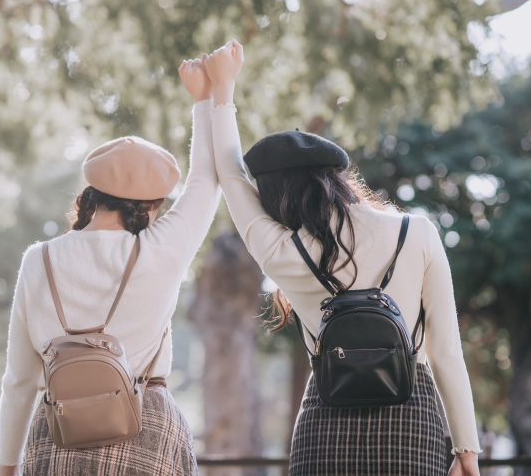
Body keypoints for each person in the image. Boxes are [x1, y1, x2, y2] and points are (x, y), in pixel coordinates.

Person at [202, 41, 481, 476]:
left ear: (277, 199)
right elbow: (446, 351)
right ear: (335, 178)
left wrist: (222, 90)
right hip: (411, 422)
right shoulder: (418, 232)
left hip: (325, 423)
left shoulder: (282, 250)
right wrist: (466, 449)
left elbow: (231, 174)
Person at [0, 58, 219, 476]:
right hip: (145, 430)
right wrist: (205, 99)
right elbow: (207, 180)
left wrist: (8, 468)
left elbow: (19, 381)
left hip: (57, 433)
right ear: (150, 207)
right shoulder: (160, 250)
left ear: (92, 194)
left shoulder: (38, 259)